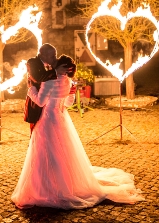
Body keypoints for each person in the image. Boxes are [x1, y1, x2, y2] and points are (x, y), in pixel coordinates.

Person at [11, 48, 144, 210]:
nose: (53, 58)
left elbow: (39, 102)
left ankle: (47, 187)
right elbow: (68, 103)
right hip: (61, 118)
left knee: (46, 152)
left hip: (47, 119)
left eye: (55, 57)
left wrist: (31, 89)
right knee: (63, 153)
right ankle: (65, 184)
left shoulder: (49, 81)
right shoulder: (68, 82)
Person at [24, 43, 75, 134]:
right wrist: (56, 72)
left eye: (55, 55)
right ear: (43, 55)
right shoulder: (32, 62)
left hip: (50, 107)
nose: (55, 58)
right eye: (52, 56)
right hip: (36, 103)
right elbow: (38, 77)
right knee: (36, 132)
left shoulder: (52, 65)